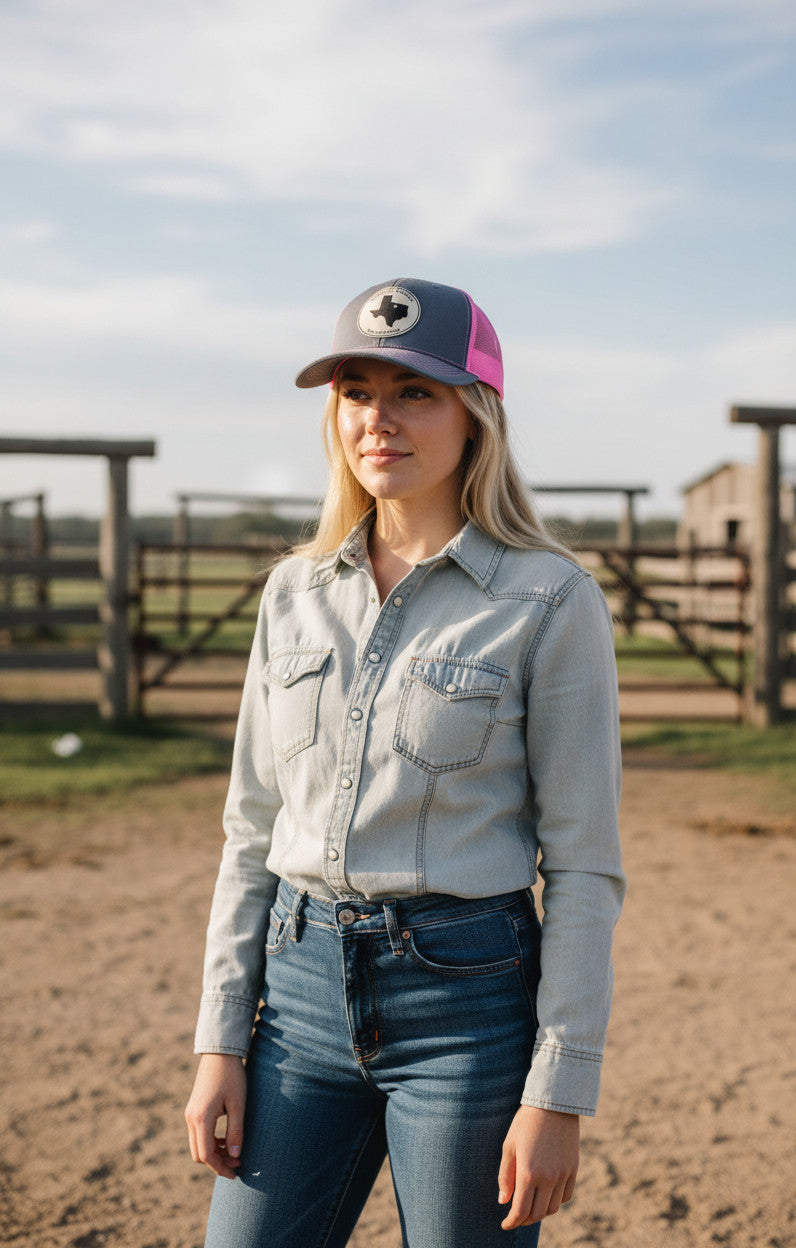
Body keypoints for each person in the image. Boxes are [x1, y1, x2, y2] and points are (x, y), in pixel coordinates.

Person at [185, 278, 625, 1248]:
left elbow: (584, 864)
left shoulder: (549, 602)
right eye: (355, 390)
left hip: (467, 1008)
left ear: (476, 416)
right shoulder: (290, 594)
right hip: (294, 1008)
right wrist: (221, 1037)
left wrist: (559, 1089)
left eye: (414, 391)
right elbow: (250, 831)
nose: (377, 418)